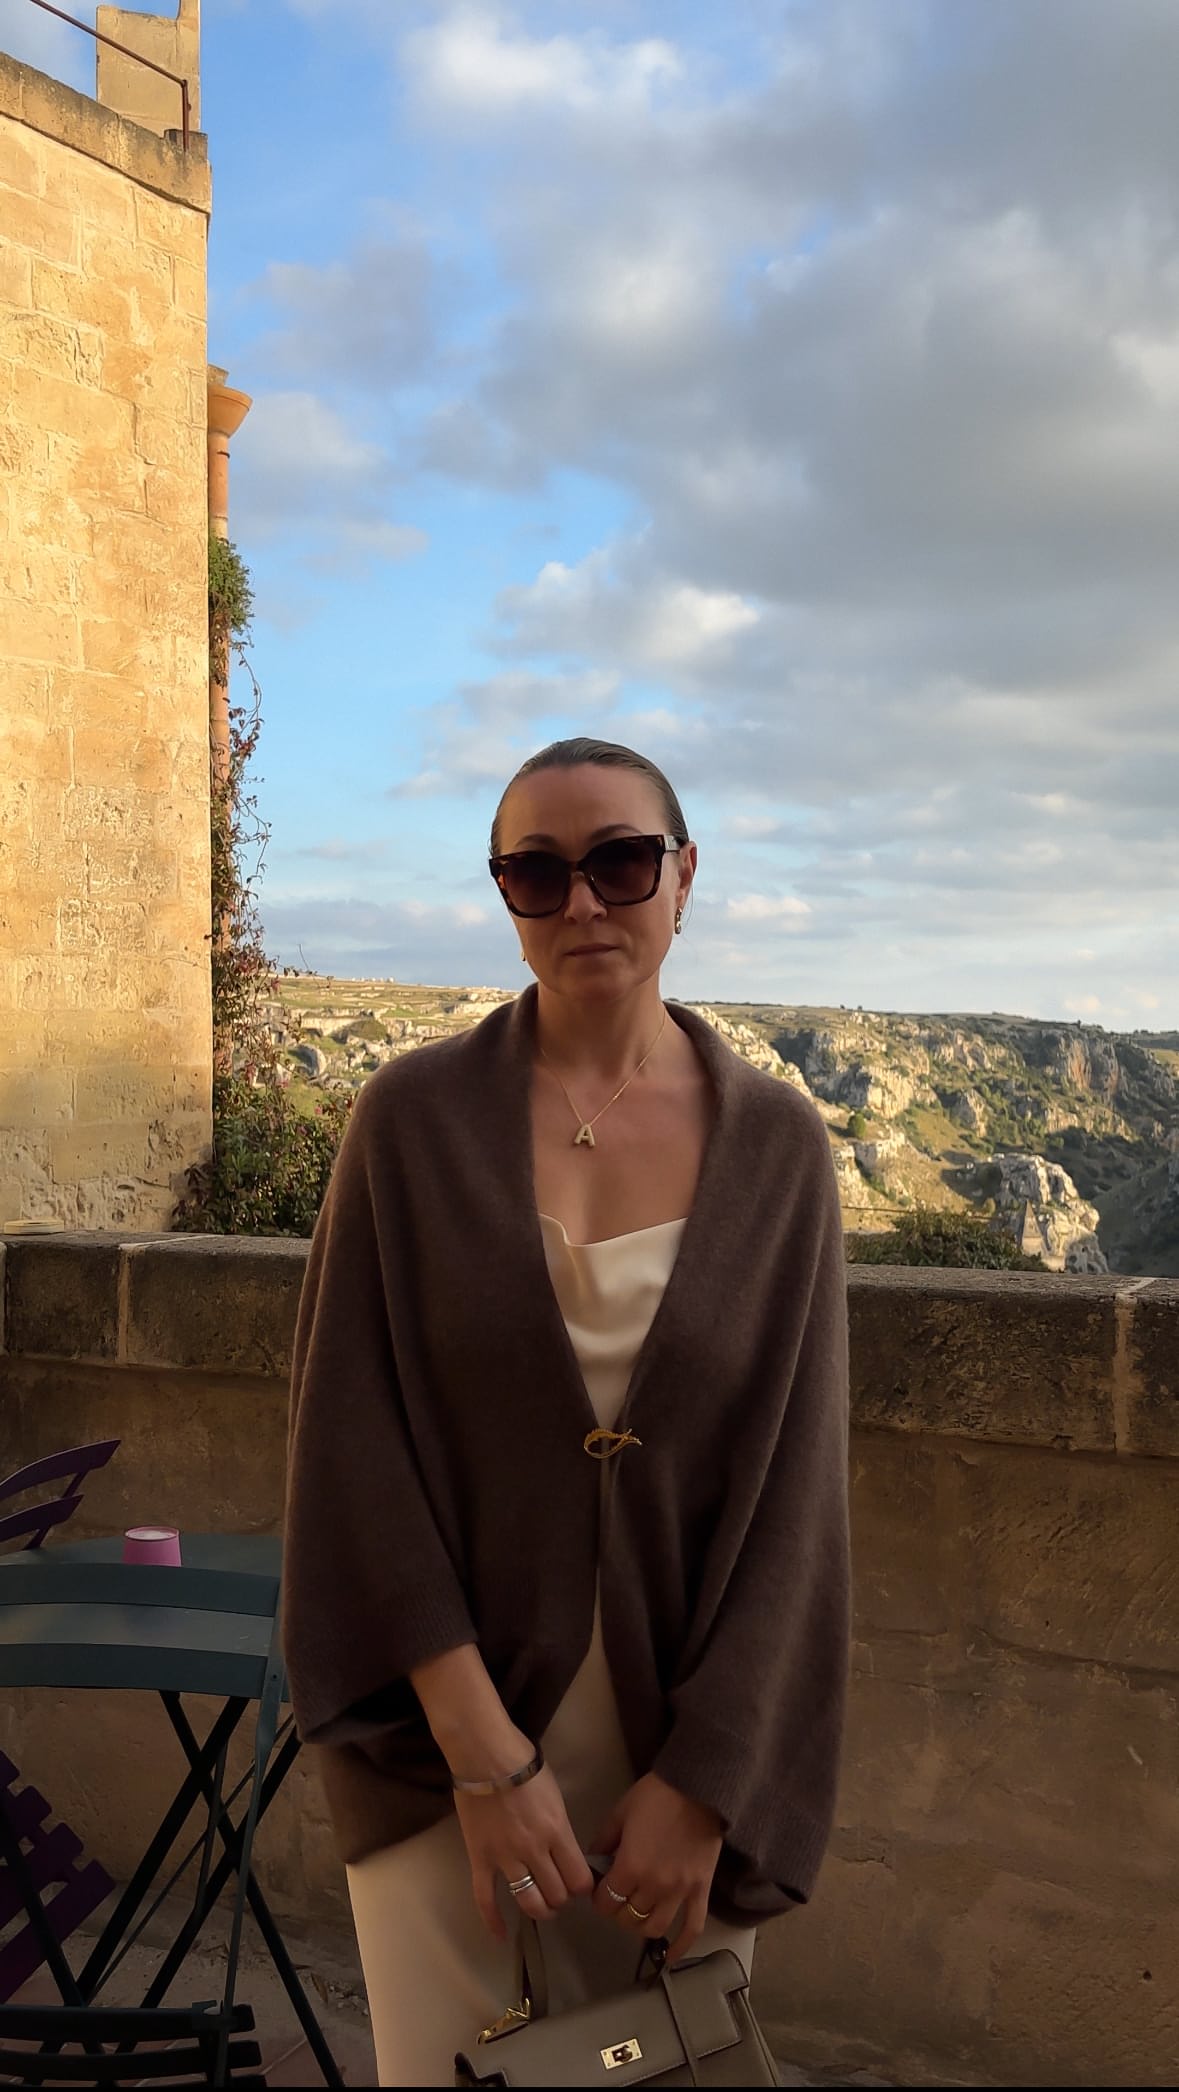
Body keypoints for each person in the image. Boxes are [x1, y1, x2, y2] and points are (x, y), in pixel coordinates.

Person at [282, 736, 850, 2088]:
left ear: (685, 876)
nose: (584, 900)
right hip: (447, 1752)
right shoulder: (409, 1123)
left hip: (679, 1767)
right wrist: (484, 1762)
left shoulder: (778, 1150)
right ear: (505, 895)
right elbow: (351, 1447)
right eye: (538, 873)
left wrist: (708, 1784)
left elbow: (798, 1499)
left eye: (622, 862)